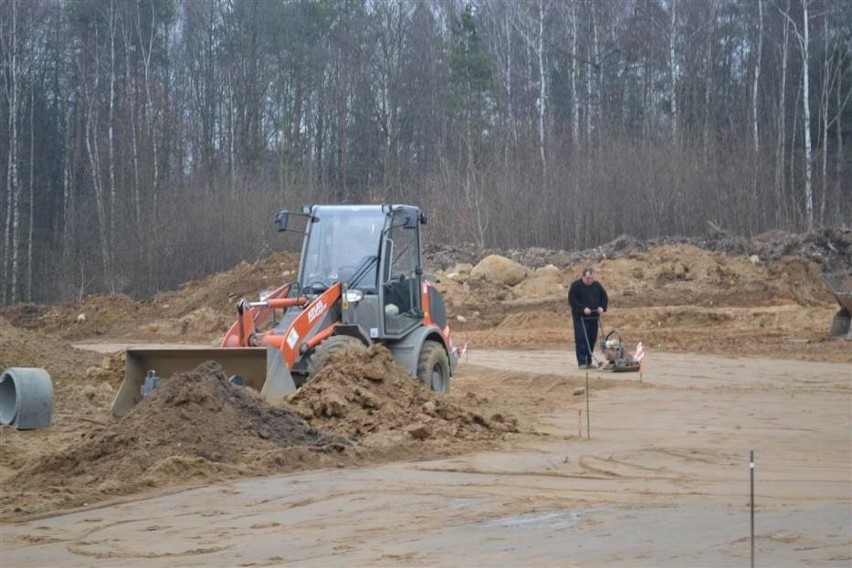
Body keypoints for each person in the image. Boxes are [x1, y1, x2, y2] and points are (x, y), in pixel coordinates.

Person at [568, 267, 608, 369]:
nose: (590, 280)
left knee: (591, 339)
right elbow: (572, 300)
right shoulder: (576, 286)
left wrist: (602, 307)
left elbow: (604, 297)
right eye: (588, 278)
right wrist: (582, 309)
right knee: (581, 339)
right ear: (583, 277)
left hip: (593, 317)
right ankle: (582, 362)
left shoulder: (597, 285)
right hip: (581, 317)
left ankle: (588, 361)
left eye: (592, 278)